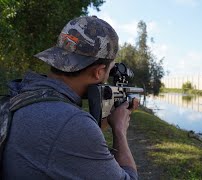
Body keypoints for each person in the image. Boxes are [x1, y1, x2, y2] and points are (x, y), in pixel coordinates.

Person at [2, 16, 138, 179]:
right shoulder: (72, 123)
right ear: (99, 72)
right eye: (109, 71)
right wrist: (120, 130)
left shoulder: (22, 93)